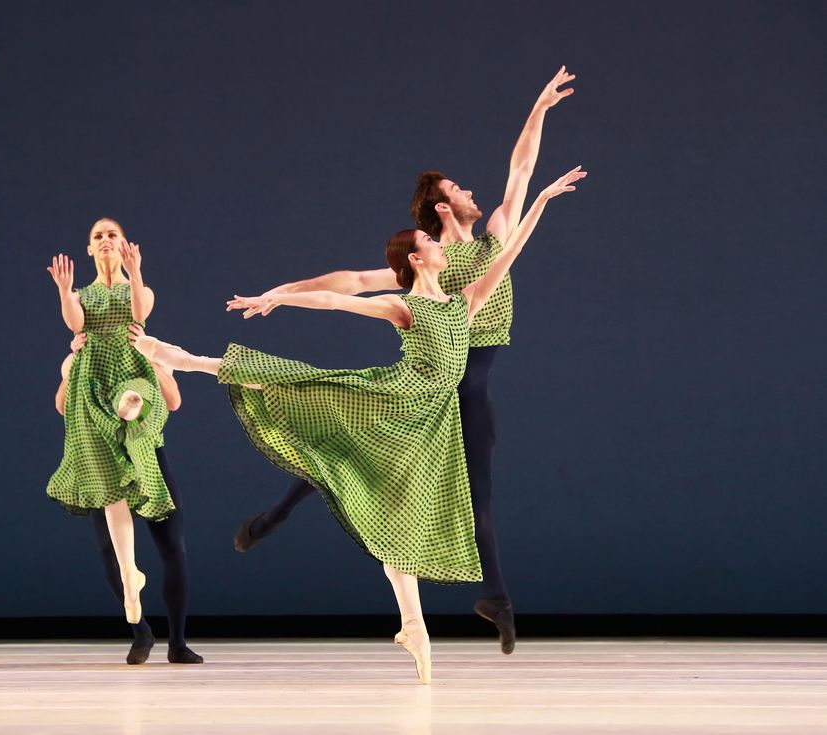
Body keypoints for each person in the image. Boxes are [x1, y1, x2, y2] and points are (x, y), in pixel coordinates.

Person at [131, 168, 585, 682]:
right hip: (391, 399)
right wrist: (277, 296)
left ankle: (413, 627)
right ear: (418, 258)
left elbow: (510, 253)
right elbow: (335, 298)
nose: (437, 247)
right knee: (298, 383)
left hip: (428, 422)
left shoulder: (464, 301)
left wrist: (542, 199)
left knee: (396, 516)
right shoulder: (403, 305)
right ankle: (190, 361)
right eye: (426, 243)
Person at [229, 66, 577, 655]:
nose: (471, 192)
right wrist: (280, 292)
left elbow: (521, 171)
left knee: (467, 488)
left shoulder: (493, 238)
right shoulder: (429, 263)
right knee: (364, 450)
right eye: (458, 190)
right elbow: (349, 282)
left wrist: (539, 108)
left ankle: (492, 595)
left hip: (473, 379)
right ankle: (283, 512)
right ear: (442, 210)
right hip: (433, 381)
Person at [47, 218, 202, 665]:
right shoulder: (83, 323)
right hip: (103, 441)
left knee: (172, 544)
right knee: (110, 548)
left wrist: (135, 275)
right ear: (90, 249)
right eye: (98, 236)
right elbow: (64, 402)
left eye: (112, 234)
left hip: (143, 445)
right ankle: (140, 631)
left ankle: (178, 639)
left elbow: (172, 399)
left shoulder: (146, 341)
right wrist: (72, 355)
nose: (106, 241)